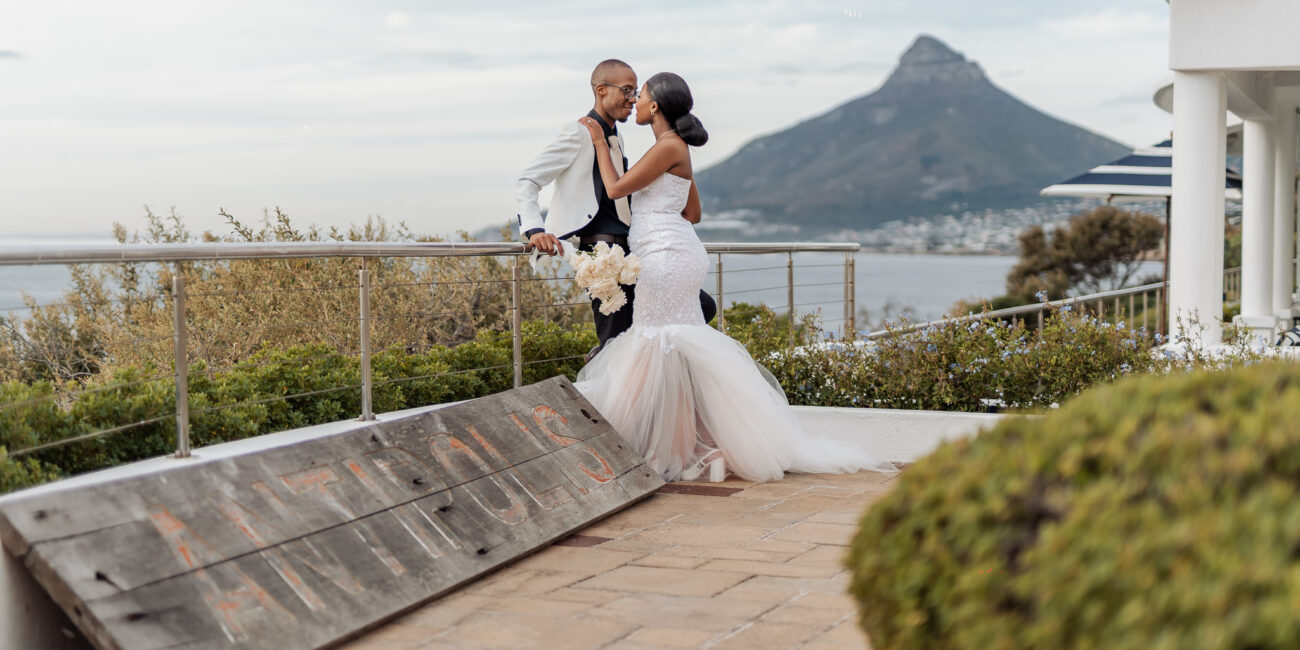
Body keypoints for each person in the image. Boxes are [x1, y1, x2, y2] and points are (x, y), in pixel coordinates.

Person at [573, 72, 895, 483]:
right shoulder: (675, 148)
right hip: (677, 251)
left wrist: (600, 141)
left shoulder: (667, 146)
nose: (635, 102)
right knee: (673, 345)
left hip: (664, 256)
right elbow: (693, 214)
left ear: (655, 106)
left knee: (657, 340)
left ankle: (661, 450)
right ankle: (697, 449)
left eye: (642, 96)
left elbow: (617, 189)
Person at [515, 59, 715, 361]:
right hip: (602, 252)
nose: (633, 99)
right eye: (627, 90)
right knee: (617, 344)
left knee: (695, 310)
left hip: (638, 253)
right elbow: (528, 181)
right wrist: (535, 229)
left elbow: (623, 192)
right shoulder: (578, 133)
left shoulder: (617, 138)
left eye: (637, 91)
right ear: (601, 90)